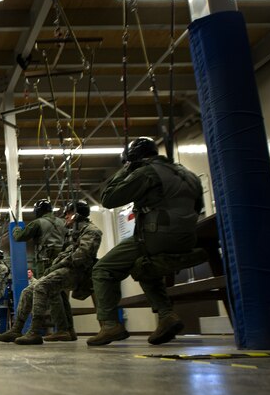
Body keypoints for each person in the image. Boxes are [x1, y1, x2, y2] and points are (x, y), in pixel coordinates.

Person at [89, 137, 204, 346]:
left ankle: (109, 325)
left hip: (155, 236)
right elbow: (198, 207)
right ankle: (166, 314)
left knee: (102, 269)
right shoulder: (189, 175)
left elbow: (108, 198)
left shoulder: (147, 172)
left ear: (134, 158)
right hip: (188, 237)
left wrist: (126, 169)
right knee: (143, 266)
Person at [15, 200, 103, 345]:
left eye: (68, 214)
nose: (65, 217)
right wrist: (56, 265)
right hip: (64, 267)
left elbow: (80, 256)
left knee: (43, 286)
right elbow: (67, 252)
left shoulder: (90, 231)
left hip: (78, 272)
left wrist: (16, 230)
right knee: (36, 291)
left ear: (76, 215)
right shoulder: (74, 233)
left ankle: (36, 331)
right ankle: (66, 330)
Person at [12, 199, 67, 277]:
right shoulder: (63, 222)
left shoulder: (37, 223)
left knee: (44, 285)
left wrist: (16, 229)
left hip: (45, 262)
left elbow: (19, 237)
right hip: (62, 260)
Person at [0, 268, 38, 342]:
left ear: (32, 273)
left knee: (26, 293)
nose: (28, 274)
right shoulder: (24, 282)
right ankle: (16, 330)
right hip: (27, 303)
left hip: (34, 302)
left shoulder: (35, 282)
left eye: (29, 272)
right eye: (26, 272)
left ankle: (31, 331)